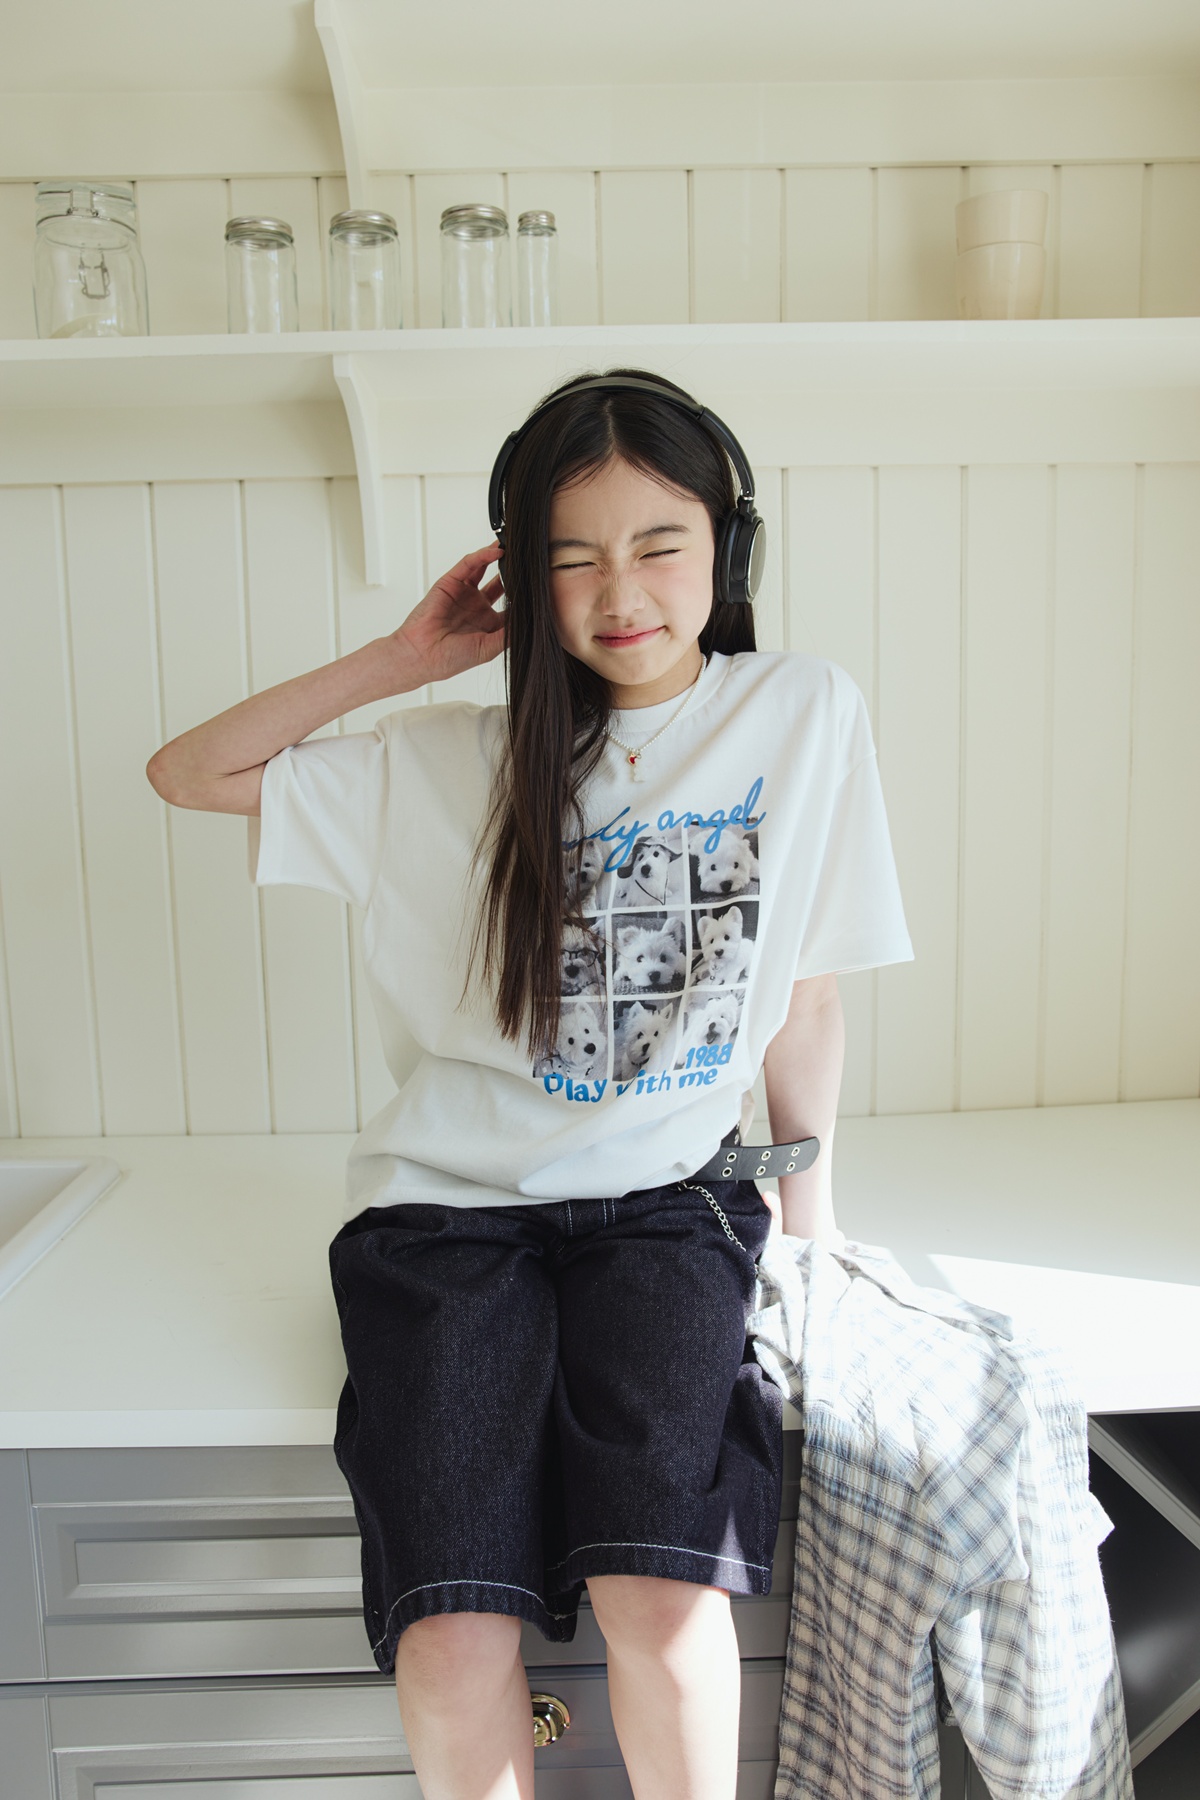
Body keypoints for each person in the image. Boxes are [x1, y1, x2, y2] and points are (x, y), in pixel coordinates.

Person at [146, 367, 913, 1800]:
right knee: (450, 1637)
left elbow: (805, 993)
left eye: (660, 544)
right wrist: (402, 660)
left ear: (728, 551)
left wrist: (813, 1240)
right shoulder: (441, 763)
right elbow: (190, 771)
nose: (621, 591)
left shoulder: (804, 715)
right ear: (520, 577)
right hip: (445, 1219)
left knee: (665, 1598)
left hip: (667, 1207)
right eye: (571, 557)